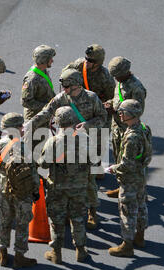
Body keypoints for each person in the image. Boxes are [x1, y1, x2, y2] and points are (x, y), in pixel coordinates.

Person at [24, 69, 107, 231]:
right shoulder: (61, 98)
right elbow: (46, 112)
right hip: (65, 144)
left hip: (87, 144)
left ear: (77, 85)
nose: (64, 90)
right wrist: (29, 125)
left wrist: (88, 125)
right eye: (63, 86)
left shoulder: (91, 98)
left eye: (68, 87)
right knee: (65, 175)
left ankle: (92, 211)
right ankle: (69, 210)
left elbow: (103, 117)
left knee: (89, 179)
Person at [62, 44, 115, 228]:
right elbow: (64, 80)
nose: (87, 62)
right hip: (76, 117)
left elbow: (112, 99)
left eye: (91, 61)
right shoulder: (77, 66)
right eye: (86, 58)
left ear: (99, 62)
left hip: (95, 115)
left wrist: (103, 104)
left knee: (95, 159)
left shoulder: (105, 77)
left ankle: (93, 210)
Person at [38, 106, 92, 264]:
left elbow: (44, 164)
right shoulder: (85, 138)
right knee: (78, 219)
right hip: (79, 187)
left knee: (56, 220)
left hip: (58, 188)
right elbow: (94, 160)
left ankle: (56, 252)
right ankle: (81, 251)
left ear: (57, 122)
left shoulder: (53, 142)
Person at [0, 113, 40, 268]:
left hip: (4, 188)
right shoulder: (25, 147)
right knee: (22, 223)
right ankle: (19, 256)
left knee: (4, 221)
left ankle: (3, 254)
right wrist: (35, 191)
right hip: (22, 192)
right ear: (18, 128)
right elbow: (33, 172)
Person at [104, 99, 152, 257]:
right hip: (140, 175)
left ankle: (127, 245)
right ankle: (140, 236)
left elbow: (126, 164)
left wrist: (112, 169)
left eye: (122, 112)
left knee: (127, 210)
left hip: (129, 178)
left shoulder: (131, 137)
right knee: (141, 206)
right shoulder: (144, 128)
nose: (120, 114)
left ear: (130, 114)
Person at [105, 56, 147, 198]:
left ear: (125, 72)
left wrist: (116, 110)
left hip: (127, 128)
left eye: (117, 76)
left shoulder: (136, 87)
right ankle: (122, 186)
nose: (115, 79)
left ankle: (136, 191)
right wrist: (110, 104)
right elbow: (117, 99)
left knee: (129, 160)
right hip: (117, 126)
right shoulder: (121, 82)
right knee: (118, 157)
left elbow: (138, 110)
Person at [21, 45, 57, 123]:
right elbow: (26, 102)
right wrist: (47, 107)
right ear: (44, 60)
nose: (52, 61)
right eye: (50, 58)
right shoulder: (32, 79)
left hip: (43, 116)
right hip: (34, 120)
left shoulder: (43, 71)